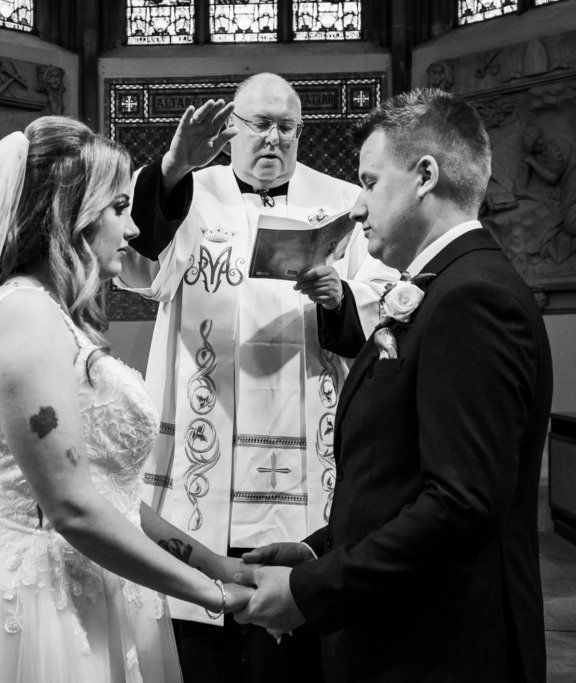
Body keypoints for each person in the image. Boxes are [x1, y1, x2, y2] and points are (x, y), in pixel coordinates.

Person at [0, 116, 256, 682]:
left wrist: (220, 565)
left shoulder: (52, 315)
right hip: (41, 603)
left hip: (86, 580)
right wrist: (216, 596)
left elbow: (107, 492)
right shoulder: (23, 315)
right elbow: (72, 508)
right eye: (119, 208)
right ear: (71, 215)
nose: (134, 231)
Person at [239, 88, 552, 682]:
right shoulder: (444, 287)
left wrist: (312, 588)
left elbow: (459, 506)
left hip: (442, 651)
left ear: (425, 176)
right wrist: (318, 550)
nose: (357, 208)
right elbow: (399, 478)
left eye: (370, 181)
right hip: (405, 636)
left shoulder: (472, 298)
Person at [115, 72, 398, 681]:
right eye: (259, 125)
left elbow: (382, 298)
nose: (274, 138)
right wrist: (168, 173)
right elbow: (135, 262)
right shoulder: (188, 187)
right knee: (202, 641)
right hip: (203, 451)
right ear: (232, 128)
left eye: (287, 127)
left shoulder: (344, 200)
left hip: (305, 461)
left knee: (297, 642)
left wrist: (337, 297)